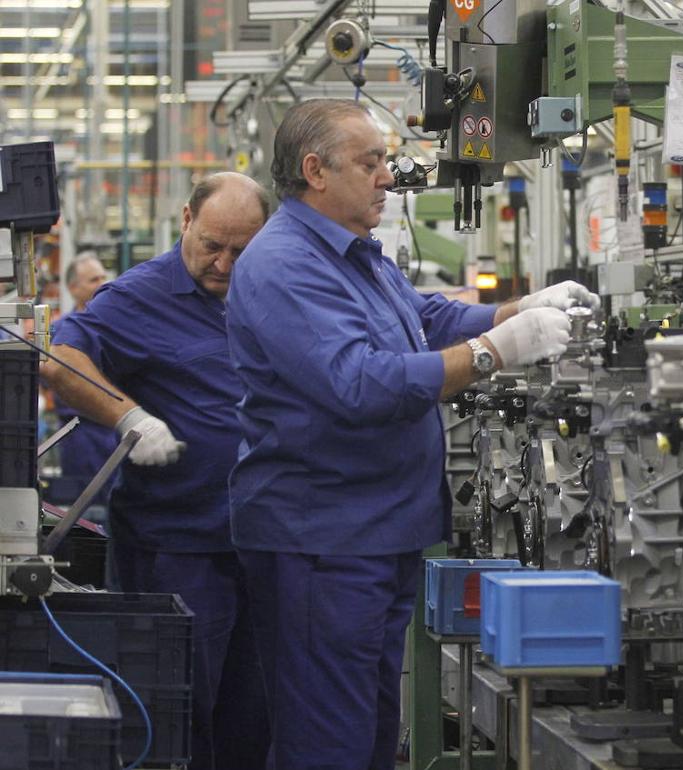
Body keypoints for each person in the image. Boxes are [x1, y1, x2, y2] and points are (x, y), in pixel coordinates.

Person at [227, 98, 596, 770]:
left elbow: (420, 315)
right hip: (323, 541)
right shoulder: (285, 264)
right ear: (315, 170)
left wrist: (519, 309)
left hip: (375, 531)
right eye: (371, 162)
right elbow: (358, 385)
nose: (387, 177)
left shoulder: (352, 252)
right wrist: (496, 351)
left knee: (369, 733)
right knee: (326, 743)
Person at [41, 173, 272, 770]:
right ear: (186, 220)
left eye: (242, 250)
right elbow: (61, 355)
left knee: (255, 721)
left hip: (270, 546)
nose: (224, 263)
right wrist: (130, 417)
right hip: (179, 551)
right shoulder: (139, 297)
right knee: (173, 721)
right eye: (213, 245)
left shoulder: (274, 292)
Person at [49, 253, 116, 520]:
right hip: (79, 434)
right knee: (85, 513)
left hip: (117, 431)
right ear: (73, 288)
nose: (101, 284)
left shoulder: (118, 327)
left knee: (118, 507)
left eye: (103, 277)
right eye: (93, 279)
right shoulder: (58, 331)